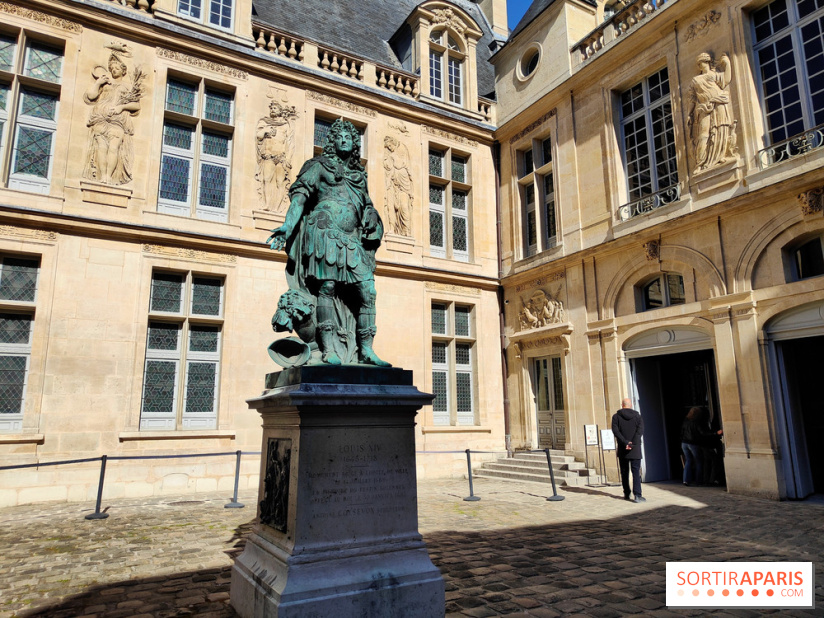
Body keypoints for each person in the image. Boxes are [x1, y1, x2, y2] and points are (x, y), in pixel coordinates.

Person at [267, 118, 390, 367]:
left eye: (349, 137)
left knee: (368, 291)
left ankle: (366, 349)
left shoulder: (359, 176)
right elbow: (300, 199)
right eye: (339, 136)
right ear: (332, 141)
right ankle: (328, 349)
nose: (344, 140)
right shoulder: (317, 166)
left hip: (351, 240)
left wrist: (371, 216)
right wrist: (287, 226)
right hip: (324, 231)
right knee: (327, 288)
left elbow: (366, 205)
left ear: (355, 144)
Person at [83, 49, 144, 185]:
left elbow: (136, 105)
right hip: (100, 117)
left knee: (113, 148)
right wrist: (98, 83)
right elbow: (91, 96)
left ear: (123, 70)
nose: (114, 70)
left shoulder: (128, 86)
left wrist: (121, 107)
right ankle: (102, 176)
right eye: (112, 68)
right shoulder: (105, 83)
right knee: (101, 147)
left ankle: (109, 177)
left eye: (117, 68)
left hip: (117, 121)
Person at [688, 52, 735, 172]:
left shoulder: (714, 75)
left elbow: (726, 79)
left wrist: (728, 64)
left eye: (701, 63)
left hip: (718, 102)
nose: (699, 66)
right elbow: (692, 99)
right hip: (703, 107)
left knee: (720, 128)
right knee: (703, 135)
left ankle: (719, 156)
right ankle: (700, 163)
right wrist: (689, 113)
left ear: (707, 62)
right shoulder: (695, 80)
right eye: (698, 64)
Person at [256, 101, 298, 211]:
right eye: (271, 108)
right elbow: (258, 136)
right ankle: (267, 204)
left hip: (281, 158)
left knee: (281, 182)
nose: (272, 110)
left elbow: (290, 142)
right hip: (269, 156)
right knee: (266, 179)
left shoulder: (285, 125)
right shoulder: (265, 122)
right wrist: (266, 131)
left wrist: (288, 158)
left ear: (280, 110)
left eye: (275, 108)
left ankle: (278, 208)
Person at [612, 398, 645, 503]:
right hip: (635, 449)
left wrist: (625, 442)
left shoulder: (616, 417)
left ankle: (626, 493)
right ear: (630, 405)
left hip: (623, 448)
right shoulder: (637, 417)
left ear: (622, 405)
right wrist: (632, 443)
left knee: (624, 472)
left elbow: (615, 431)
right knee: (636, 471)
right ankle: (637, 495)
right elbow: (640, 431)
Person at [680, 406, 723, 485]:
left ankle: (685, 480)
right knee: (698, 461)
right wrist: (716, 433)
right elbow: (703, 433)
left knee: (688, 461)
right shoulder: (696, 422)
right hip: (693, 443)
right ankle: (698, 480)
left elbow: (682, 432)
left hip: (684, 443)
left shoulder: (686, 421)